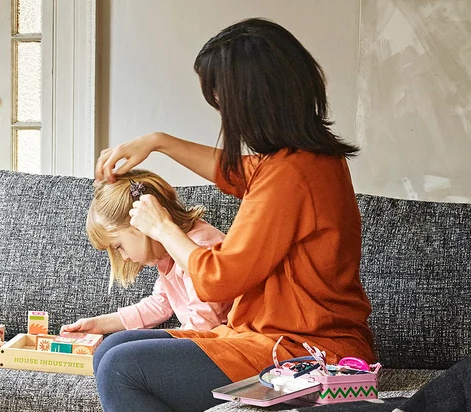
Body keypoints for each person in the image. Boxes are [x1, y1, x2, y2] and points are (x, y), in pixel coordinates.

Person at [90, 18, 376, 411]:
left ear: (252, 101)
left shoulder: (291, 174)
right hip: (269, 337)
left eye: (221, 100)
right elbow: (235, 172)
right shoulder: (304, 160)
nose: (221, 111)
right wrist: (159, 142)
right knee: (113, 349)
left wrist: (164, 228)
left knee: (121, 368)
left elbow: (218, 279)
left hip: (304, 350)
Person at [64, 169, 230, 335]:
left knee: (119, 352)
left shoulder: (199, 247)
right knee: (114, 347)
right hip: (199, 339)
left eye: (118, 246)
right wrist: (98, 325)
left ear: (139, 223)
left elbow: (204, 323)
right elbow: (159, 304)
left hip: (224, 343)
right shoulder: (166, 254)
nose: (124, 257)